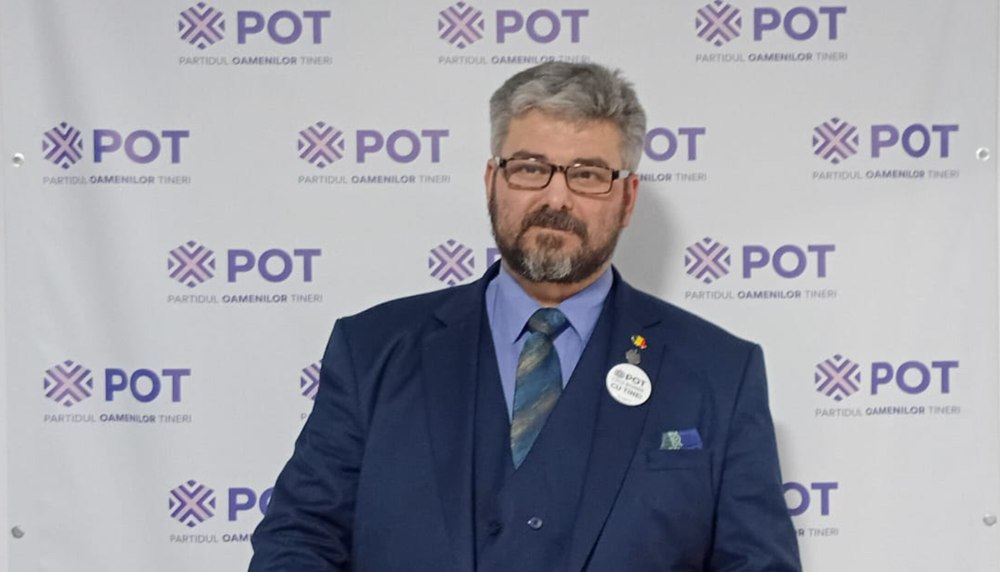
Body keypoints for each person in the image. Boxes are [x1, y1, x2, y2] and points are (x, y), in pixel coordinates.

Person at [249, 62, 801, 571]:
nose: (556, 199)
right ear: (492, 182)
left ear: (628, 198)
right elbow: (299, 539)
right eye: (530, 168)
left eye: (588, 174)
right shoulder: (372, 350)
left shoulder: (720, 373)